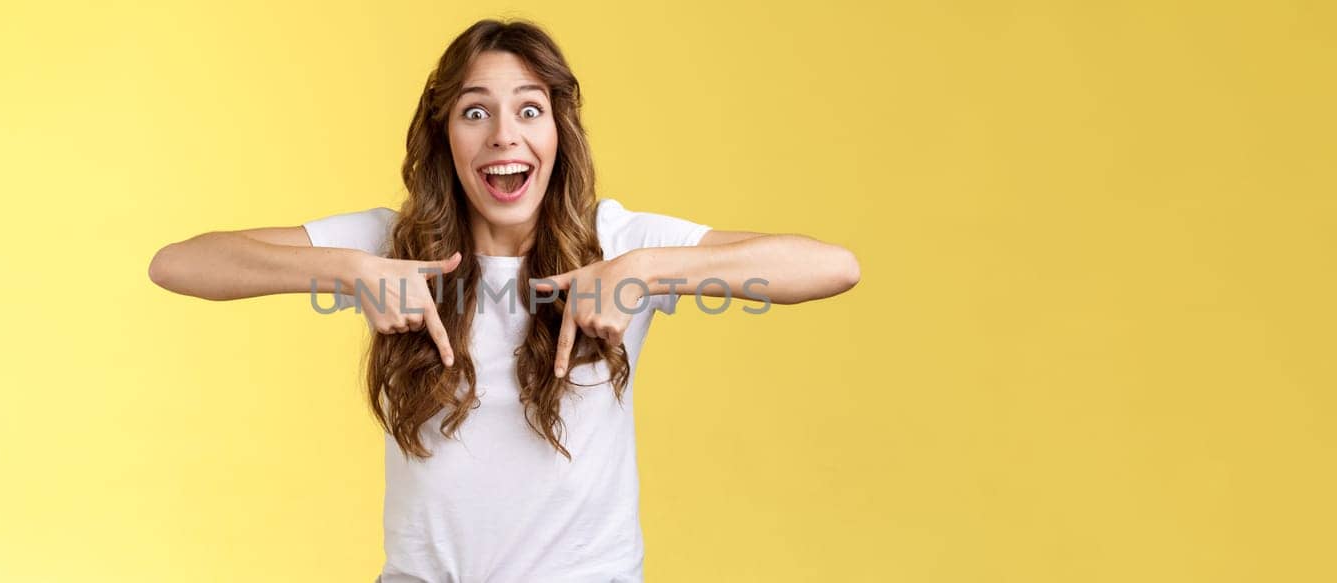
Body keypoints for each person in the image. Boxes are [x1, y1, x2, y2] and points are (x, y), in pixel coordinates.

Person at [148, 18, 860, 583]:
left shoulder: (615, 240)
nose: (504, 136)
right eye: (474, 112)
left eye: (529, 109)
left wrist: (645, 269)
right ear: (443, 135)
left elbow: (831, 266)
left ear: (558, 131)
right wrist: (346, 269)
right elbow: (179, 263)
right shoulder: (391, 242)